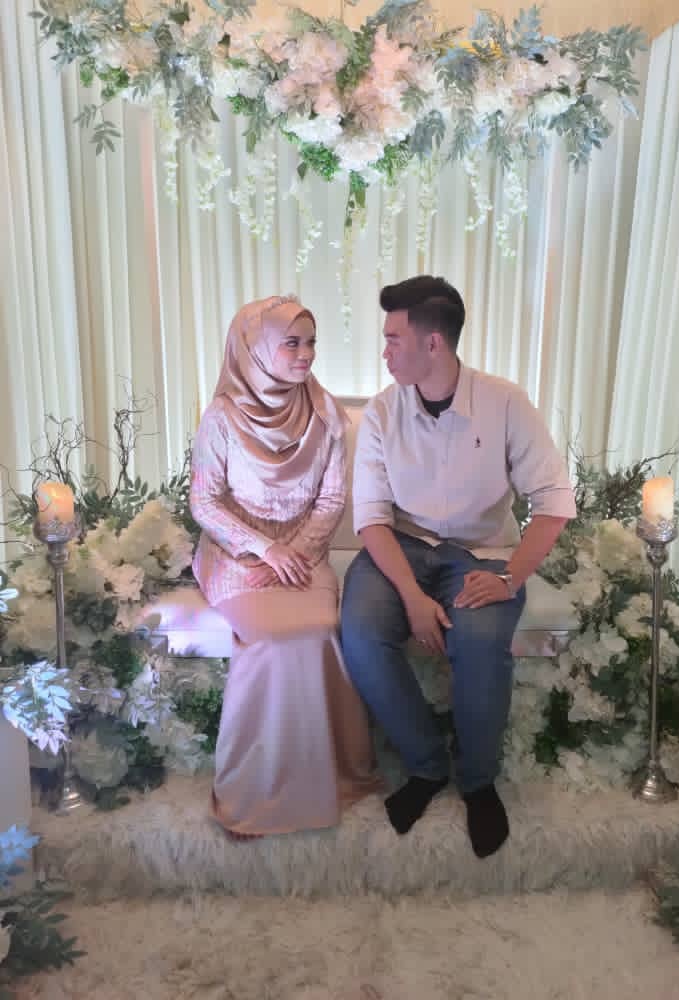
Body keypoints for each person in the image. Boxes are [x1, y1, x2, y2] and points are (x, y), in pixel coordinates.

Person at [340, 276, 576, 858]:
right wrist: (413, 598)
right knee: (362, 633)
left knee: (479, 639)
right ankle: (425, 765)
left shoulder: (505, 403)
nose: (385, 351)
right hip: (400, 546)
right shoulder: (382, 411)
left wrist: (508, 577)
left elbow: (553, 501)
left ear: (434, 343)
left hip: (482, 553)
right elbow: (371, 518)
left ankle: (478, 781)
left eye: (394, 339)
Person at [190, 296, 381, 838]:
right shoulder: (222, 417)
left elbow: (332, 499)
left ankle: (332, 778)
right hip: (235, 556)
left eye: (311, 342)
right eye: (291, 343)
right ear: (255, 349)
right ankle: (252, 791)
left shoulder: (325, 413)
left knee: (320, 629)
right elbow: (205, 503)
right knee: (272, 637)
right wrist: (264, 550)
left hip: (305, 553)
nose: (306, 354)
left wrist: (291, 552)